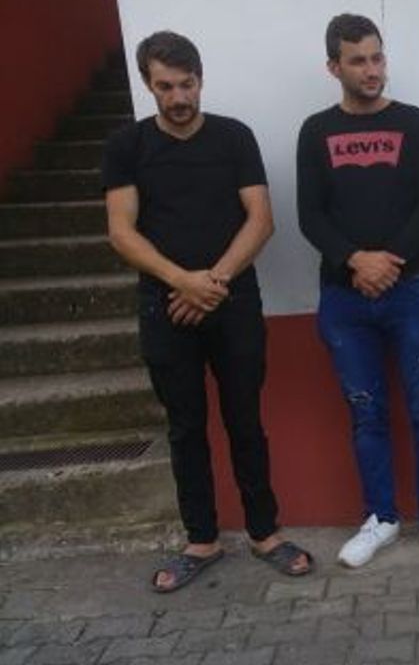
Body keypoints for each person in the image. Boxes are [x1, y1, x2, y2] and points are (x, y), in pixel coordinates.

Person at [102, 31, 312, 593]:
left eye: (187, 84)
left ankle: (265, 533)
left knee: (246, 420)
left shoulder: (233, 137)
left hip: (233, 302)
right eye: (166, 86)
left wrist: (212, 283)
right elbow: (121, 232)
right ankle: (201, 540)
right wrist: (183, 283)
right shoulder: (127, 146)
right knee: (185, 426)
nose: (179, 97)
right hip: (165, 305)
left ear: (200, 79)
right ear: (148, 85)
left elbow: (261, 219)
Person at [296, 13, 419, 568]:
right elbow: (310, 216)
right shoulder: (315, 131)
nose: (372, 70)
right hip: (345, 299)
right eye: (358, 61)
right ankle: (381, 519)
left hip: (412, 289)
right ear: (334, 67)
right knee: (366, 412)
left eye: (377, 57)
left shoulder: (415, 123)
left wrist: (387, 261)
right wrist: (355, 260)